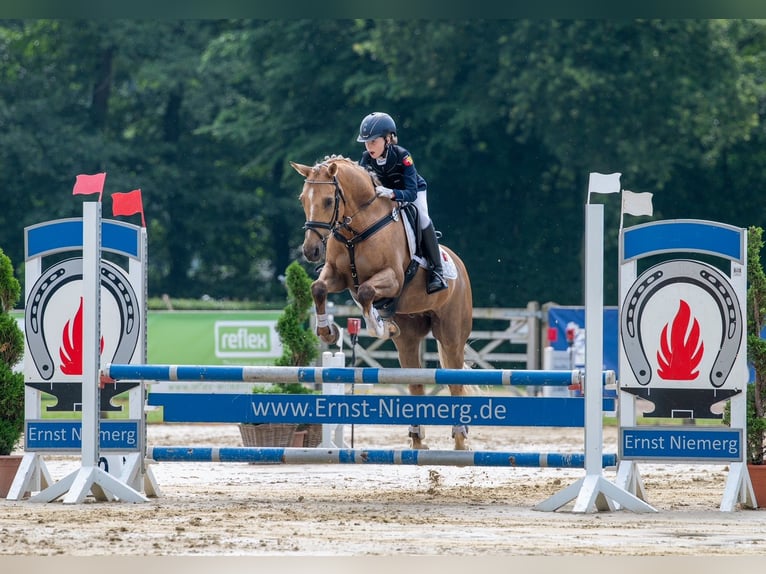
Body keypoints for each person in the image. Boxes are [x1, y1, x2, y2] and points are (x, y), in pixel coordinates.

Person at [356, 112, 448, 294]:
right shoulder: (366, 158)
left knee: (422, 217)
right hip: (385, 196)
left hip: (413, 192)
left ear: (388, 139)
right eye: (366, 142)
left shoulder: (403, 156)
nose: (369, 146)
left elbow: (411, 192)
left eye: (373, 141)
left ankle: (437, 271)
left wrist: (392, 194)